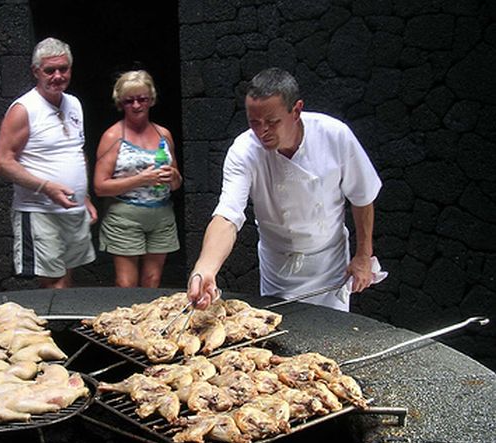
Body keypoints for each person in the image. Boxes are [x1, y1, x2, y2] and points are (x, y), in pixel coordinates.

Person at [188, 68, 382, 312]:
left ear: (296, 110)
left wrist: (363, 255)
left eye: (272, 122)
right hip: (278, 266)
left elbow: (362, 196)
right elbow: (228, 215)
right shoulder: (244, 151)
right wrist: (205, 268)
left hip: (329, 264)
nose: (262, 132)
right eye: (254, 122)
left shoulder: (335, 136)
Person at [0, 37, 97, 289]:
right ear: (36, 71)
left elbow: (75, 151)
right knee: (54, 283)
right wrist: (46, 187)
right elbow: (1, 162)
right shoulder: (24, 109)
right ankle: (52, 327)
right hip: (39, 210)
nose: (57, 76)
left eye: (63, 69)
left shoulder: (74, 104)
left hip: (72, 209)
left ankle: (61, 327)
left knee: (68, 277)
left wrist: (85, 197)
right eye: (50, 70)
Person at [93, 70, 182, 288]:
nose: (136, 105)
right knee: (127, 284)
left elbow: (176, 183)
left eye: (142, 99)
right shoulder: (113, 137)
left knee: (153, 280)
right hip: (125, 215)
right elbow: (100, 187)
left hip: (161, 213)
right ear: (120, 103)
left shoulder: (164, 135)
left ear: (151, 100)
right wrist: (141, 179)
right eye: (129, 101)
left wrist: (173, 177)